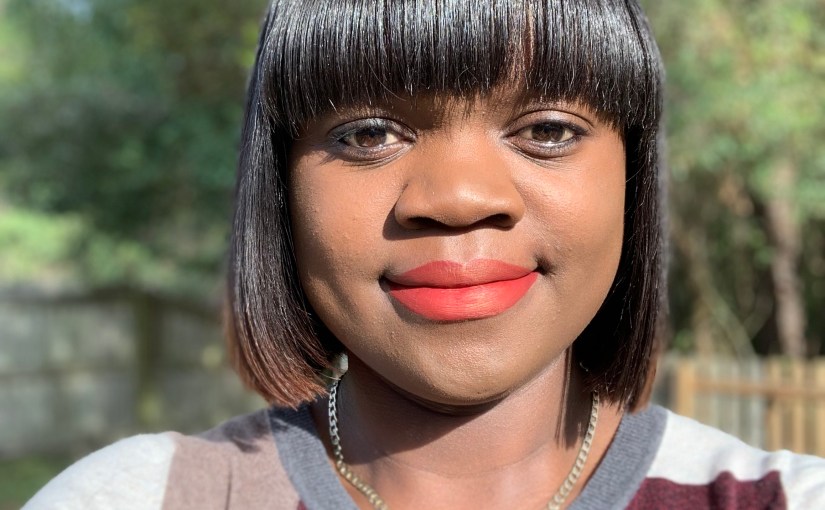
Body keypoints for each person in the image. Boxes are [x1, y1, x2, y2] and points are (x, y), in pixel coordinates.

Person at [25, 0, 825, 509]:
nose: (459, 197)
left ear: (633, 178)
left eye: (548, 130)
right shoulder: (140, 498)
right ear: (279, 188)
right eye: (368, 134)